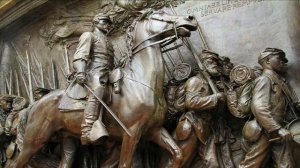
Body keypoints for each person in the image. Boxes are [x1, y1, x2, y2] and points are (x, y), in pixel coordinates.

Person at [164, 50, 226, 167]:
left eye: (216, 63)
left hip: (205, 127)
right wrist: (216, 98)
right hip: (192, 126)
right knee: (179, 162)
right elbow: (191, 103)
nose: (214, 64)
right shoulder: (196, 81)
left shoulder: (211, 84)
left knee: (212, 164)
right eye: (210, 62)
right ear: (202, 64)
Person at [239, 48, 297, 168]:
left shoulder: (278, 80)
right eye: (279, 58)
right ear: (267, 61)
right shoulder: (264, 80)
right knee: (251, 164)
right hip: (266, 131)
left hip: (280, 130)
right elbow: (259, 107)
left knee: (286, 165)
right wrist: (276, 129)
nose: (283, 62)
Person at [72, 13, 115, 145]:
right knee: (98, 90)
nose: (107, 24)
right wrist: (80, 72)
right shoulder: (89, 35)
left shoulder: (108, 41)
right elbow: (80, 55)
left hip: (109, 71)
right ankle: (87, 130)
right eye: (104, 21)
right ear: (96, 22)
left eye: (108, 22)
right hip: (95, 71)